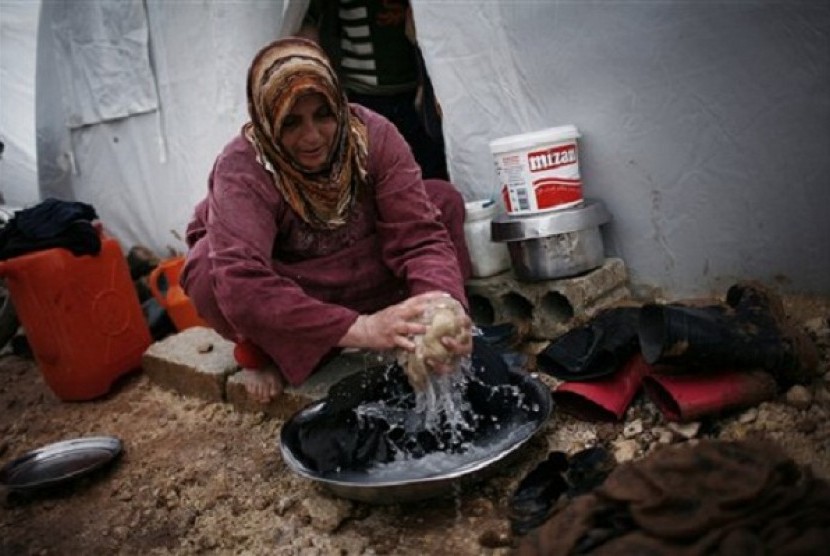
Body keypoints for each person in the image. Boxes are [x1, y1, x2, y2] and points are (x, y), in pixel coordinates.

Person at [181, 37, 473, 404]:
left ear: (339, 103)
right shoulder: (243, 168)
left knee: (442, 200)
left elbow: (419, 236)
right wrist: (363, 329)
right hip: (297, 282)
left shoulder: (373, 136)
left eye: (324, 114)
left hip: (362, 261)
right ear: (267, 120)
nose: (313, 137)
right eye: (291, 122)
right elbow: (242, 285)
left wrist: (443, 310)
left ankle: (395, 322)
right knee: (209, 271)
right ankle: (266, 349)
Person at [296, 0, 449, 180]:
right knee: (378, 168)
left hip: (413, 92)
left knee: (426, 164)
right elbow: (307, 19)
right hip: (364, 94)